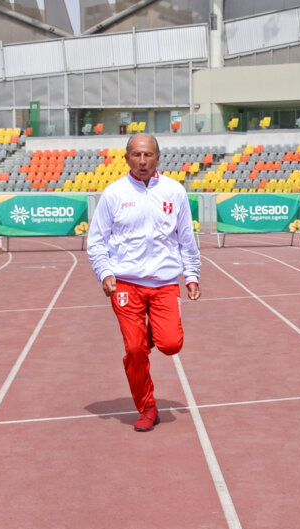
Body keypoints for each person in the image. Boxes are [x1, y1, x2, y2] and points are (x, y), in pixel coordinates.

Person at [87, 132, 201, 432]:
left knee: (171, 344)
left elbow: (186, 239)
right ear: (126, 158)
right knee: (135, 350)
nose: (142, 161)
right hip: (126, 283)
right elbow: (96, 241)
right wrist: (105, 273)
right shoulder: (114, 194)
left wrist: (191, 274)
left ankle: (147, 333)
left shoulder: (174, 192)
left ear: (157, 158)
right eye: (136, 154)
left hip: (164, 283)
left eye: (148, 155)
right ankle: (147, 407)